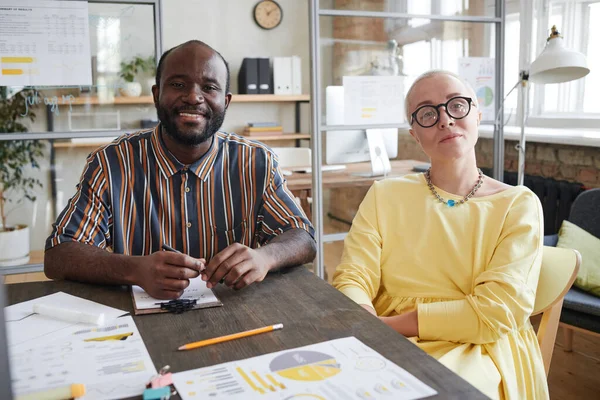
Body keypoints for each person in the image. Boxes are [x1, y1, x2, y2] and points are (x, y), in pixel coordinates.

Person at [332, 70, 548, 399]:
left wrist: (389, 327)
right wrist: (363, 317)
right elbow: (353, 274)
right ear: (415, 134)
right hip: (379, 335)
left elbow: (496, 311)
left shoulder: (517, 204)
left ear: (477, 113)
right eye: (428, 113)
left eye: (456, 105)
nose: (445, 120)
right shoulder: (384, 195)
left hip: (479, 345)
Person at [45, 40, 316, 299]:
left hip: (235, 315)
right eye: (177, 84)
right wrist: (134, 269)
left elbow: (303, 237)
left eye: (209, 87)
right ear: (156, 94)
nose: (193, 97)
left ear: (226, 101)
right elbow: (58, 255)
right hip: (135, 325)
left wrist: (264, 257)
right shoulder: (111, 163)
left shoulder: (256, 161)